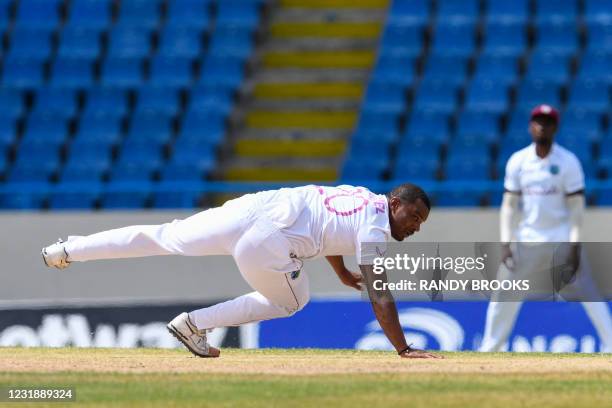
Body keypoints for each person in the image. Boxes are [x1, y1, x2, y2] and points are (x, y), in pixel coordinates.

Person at [42, 183, 442, 359]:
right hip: (268, 239)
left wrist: (339, 272)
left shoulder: (360, 197)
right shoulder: (376, 228)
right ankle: (194, 323)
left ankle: (67, 249)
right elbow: (379, 292)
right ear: (395, 203)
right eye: (415, 216)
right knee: (294, 300)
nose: (416, 225)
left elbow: (327, 227)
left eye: (421, 222)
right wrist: (403, 349)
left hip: (251, 207)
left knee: (164, 236)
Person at [480, 104, 612, 352]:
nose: (542, 126)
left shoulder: (568, 162)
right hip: (527, 239)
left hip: (561, 238)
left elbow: (576, 208)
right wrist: (506, 243)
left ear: (555, 128)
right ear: (531, 126)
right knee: (504, 293)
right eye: (538, 121)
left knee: (589, 292)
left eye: (548, 122)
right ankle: (491, 348)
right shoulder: (519, 161)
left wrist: (574, 244)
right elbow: (509, 205)